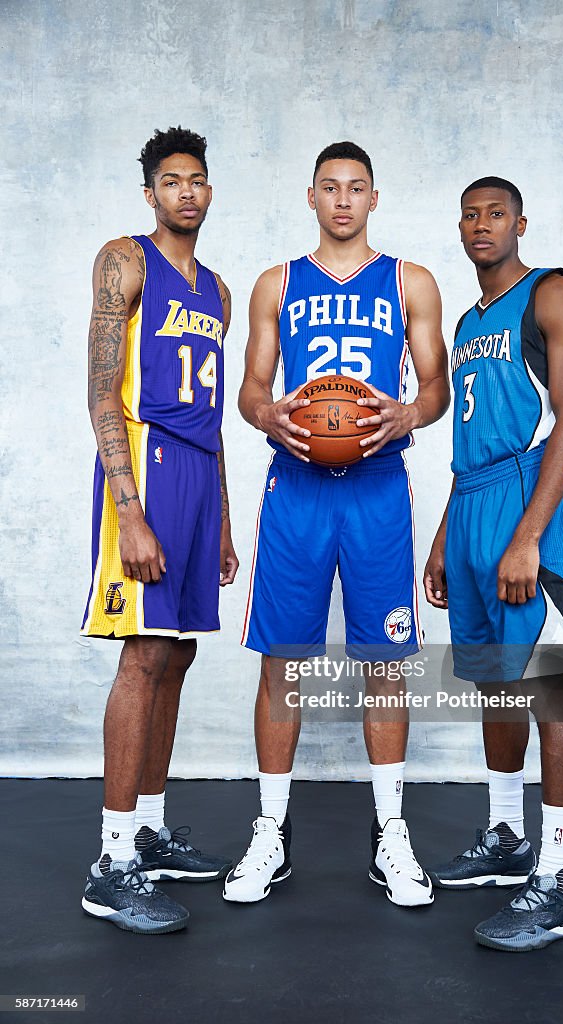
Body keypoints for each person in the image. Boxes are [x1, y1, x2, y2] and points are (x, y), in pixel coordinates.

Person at [224, 141, 450, 908]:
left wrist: (410, 411)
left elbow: (437, 385)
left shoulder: (411, 279)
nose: (344, 200)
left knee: (384, 660)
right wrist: (271, 416)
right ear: (311, 197)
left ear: (374, 198)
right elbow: (252, 390)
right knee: (282, 658)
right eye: (330, 187)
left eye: (357, 188)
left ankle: (392, 834)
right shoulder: (276, 283)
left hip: (379, 484)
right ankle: (270, 831)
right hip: (297, 483)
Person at [424, 177, 563, 951]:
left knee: (550, 687)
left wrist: (528, 535)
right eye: (470, 214)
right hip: (472, 506)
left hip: (533, 501)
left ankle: (558, 882)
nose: (481, 224)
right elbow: (467, 441)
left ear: (520, 223)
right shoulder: (466, 322)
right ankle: (505, 841)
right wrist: (444, 535)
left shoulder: (552, 295)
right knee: (495, 683)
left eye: (495, 213)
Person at [80, 126, 239, 933]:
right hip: (142, 464)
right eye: (170, 180)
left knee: (177, 652)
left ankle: (146, 826)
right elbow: (103, 392)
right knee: (142, 656)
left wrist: (222, 521)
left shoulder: (218, 287)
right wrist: (128, 507)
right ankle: (111, 862)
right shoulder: (125, 258)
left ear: (210, 192)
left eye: (197, 180)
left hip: (197, 472)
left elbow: (213, 419)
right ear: (151, 193)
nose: (186, 191)